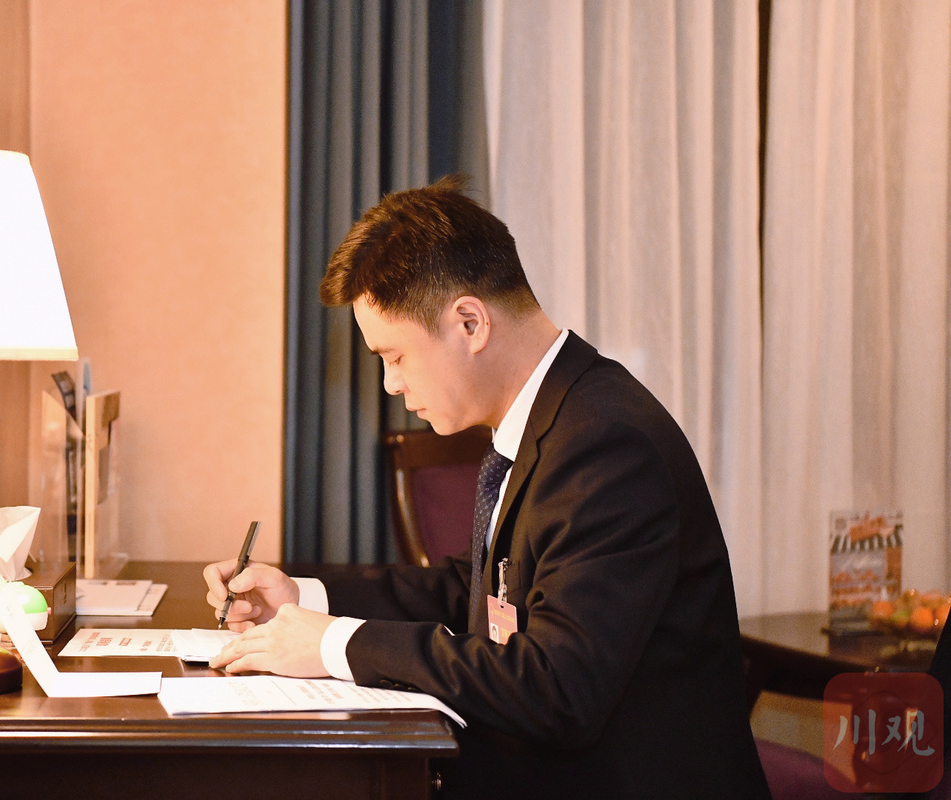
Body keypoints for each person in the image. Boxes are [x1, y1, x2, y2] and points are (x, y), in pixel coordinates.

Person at [204, 175, 770, 799]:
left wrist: (337, 643)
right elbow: (476, 593)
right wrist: (304, 598)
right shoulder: (553, 416)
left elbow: (557, 687)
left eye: (395, 356)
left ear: (469, 322)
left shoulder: (606, 444)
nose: (391, 384)